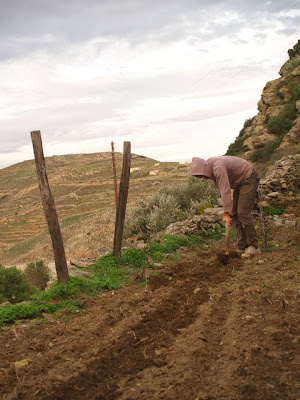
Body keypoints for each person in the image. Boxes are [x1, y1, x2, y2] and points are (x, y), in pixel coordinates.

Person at [191, 155, 261, 257]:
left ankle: (254, 247)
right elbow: (220, 188)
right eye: (198, 177)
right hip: (239, 183)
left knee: (243, 213)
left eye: (201, 175)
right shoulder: (210, 168)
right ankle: (242, 245)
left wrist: (226, 213)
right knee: (236, 213)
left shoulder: (218, 167)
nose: (202, 178)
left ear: (204, 168)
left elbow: (225, 189)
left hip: (249, 178)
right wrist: (227, 209)